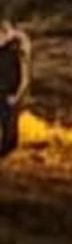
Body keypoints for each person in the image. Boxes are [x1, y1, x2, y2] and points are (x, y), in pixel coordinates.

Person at [0, 21, 31, 160]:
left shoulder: (16, 52)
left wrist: (17, 95)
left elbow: (25, 78)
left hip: (10, 97)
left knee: (11, 138)